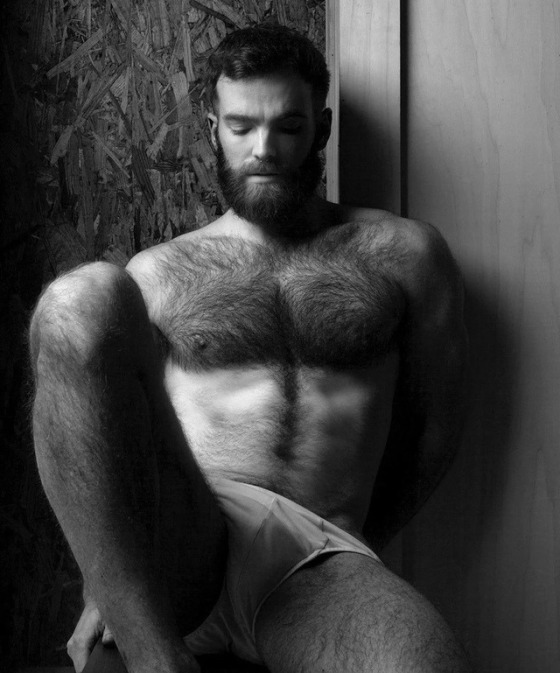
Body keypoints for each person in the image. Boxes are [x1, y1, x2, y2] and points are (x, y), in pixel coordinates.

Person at [30, 23, 471, 673]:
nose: (264, 149)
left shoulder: (405, 254)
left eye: (288, 126)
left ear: (320, 129)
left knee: (430, 664)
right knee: (78, 301)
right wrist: (108, 584)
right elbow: (104, 435)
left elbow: (434, 431)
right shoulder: (161, 272)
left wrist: (362, 547)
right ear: (214, 130)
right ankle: (158, 662)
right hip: (189, 538)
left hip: (316, 555)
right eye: (241, 127)